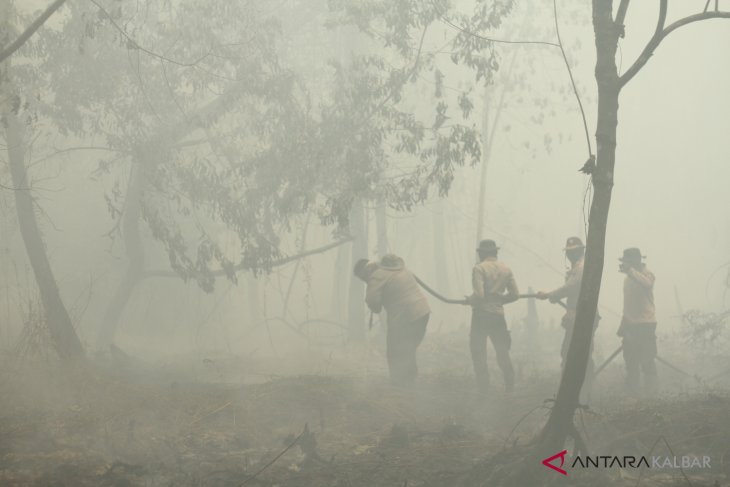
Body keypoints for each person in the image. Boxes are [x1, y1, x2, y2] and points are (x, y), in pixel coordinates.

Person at [353, 254, 430, 386]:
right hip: (422, 312)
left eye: (362, 278)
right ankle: (410, 381)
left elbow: (373, 301)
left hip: (406, 317)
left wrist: (376, 303)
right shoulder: (398, 269)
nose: (365, 280)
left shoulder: (377, 275)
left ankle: (399, 384)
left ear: (365, 272)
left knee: (395, 350)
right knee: (408, 348)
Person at [466, 239, 518, 394]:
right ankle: (510, 388)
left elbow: (479, 295)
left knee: (479, 353)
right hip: (498, 316)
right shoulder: (506, 269)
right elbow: (515, 294)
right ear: (495, 252)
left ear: (481, 253)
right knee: (502, 353)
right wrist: (500, 300)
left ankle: (483, 390)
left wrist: (469, 300)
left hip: (481, 316)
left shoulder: (479, 268)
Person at [617, 247, 657, 394]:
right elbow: (627, 304)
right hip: (630, 326)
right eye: (625, 261)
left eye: (629, 261)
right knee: (631, 361)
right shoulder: (627, 279)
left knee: (647, 360)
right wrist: (623, 323)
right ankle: (632, 394)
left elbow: (647, 284)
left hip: (646, 325)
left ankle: (651, 396)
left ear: (637, 261)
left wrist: (631, 271)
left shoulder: (648, 274)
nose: (626, 264)